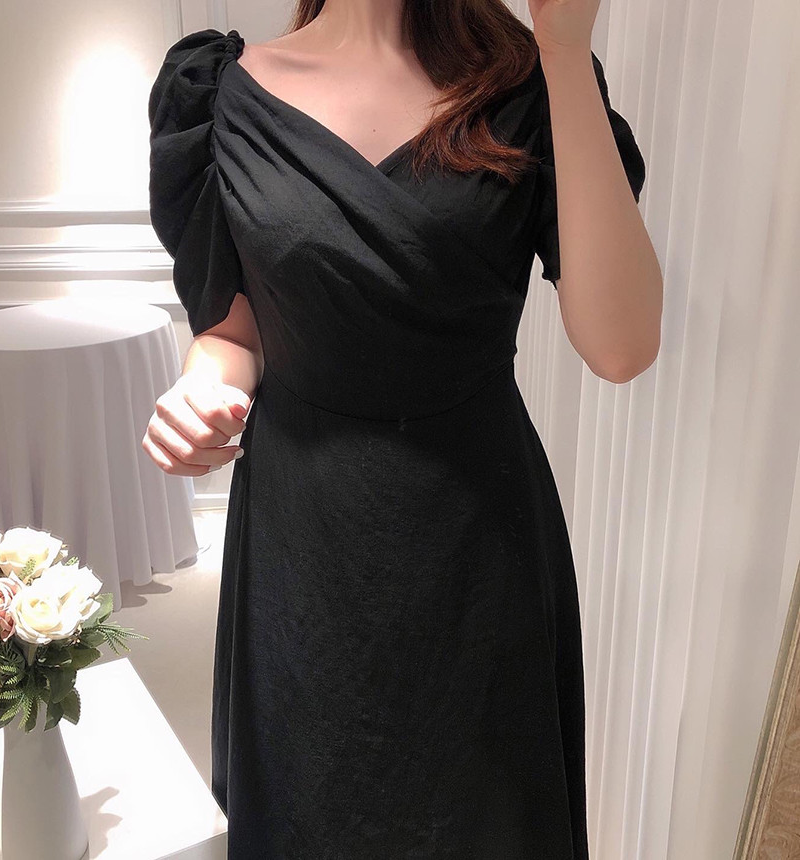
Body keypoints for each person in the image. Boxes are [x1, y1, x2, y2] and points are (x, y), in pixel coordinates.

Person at [144, 1, 661, 857]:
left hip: (477, 545)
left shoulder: (530, 86)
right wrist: (204, 387)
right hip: (302, 544)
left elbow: (622, 345)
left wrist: (567, 54)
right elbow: (234, 333)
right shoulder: (220, 94)